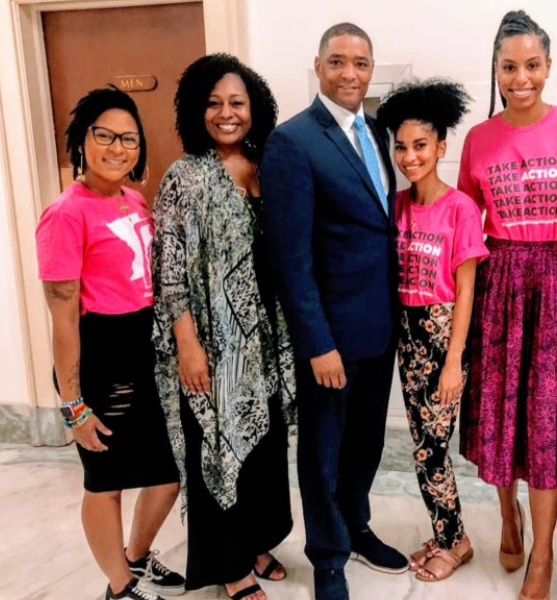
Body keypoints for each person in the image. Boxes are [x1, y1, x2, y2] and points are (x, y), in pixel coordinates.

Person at [261, 22, 407, 600]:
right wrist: (316, 341)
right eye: (339, 62)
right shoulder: (292, 141)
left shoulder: (378, 131)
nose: (351, 74)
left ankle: (357, 527)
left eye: (362, 63)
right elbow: (289, 258)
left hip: (380, 324)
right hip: (330, 336)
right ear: (318, 66)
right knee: (323, 446)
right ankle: (327, 556)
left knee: (366, 440)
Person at [457, 10, 557, 600]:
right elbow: (462, 224)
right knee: (500, 414)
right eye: (509, 66)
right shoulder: (478, 138)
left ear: (548, 66)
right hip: (499, 282)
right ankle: (507, 513)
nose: (521, 77)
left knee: (547, 424)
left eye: (531, 65)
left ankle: (542, 557)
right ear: (496, 68)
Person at [151, 54, 296, 600]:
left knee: (261, 447)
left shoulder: (265, 167)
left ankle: (257, 542)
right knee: (218, 449)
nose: (226, 113)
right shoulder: (184, 178)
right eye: (213, 103)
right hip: (212, 344)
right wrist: (188, 344)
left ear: (254, 108)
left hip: (263, 342)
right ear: (196, 110)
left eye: (237, 102)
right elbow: (168, 269)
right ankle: (232, 569)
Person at [36, 87, 184, 600]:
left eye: (129, 138)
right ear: (82, 140)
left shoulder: (132, 199)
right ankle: (120, 587)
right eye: (105, 135)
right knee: (106, 480)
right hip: (98, 356)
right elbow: (62, 318)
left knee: (167, 476)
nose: (117, 148)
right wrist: (73, 403)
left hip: (142, 351)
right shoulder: (64, 214)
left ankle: (136, 559)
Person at [375, 79, 487, 582]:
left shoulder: (460, 208)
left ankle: (455, 541)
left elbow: (465, 290)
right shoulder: (395, 205)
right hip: (407, 333)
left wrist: (452, 362)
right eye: (401, 146)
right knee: (423, 444)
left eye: (421, 145)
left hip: (444, 336)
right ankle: (445, 532)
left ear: (441, 147)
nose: (409, 156)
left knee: (431, 449)